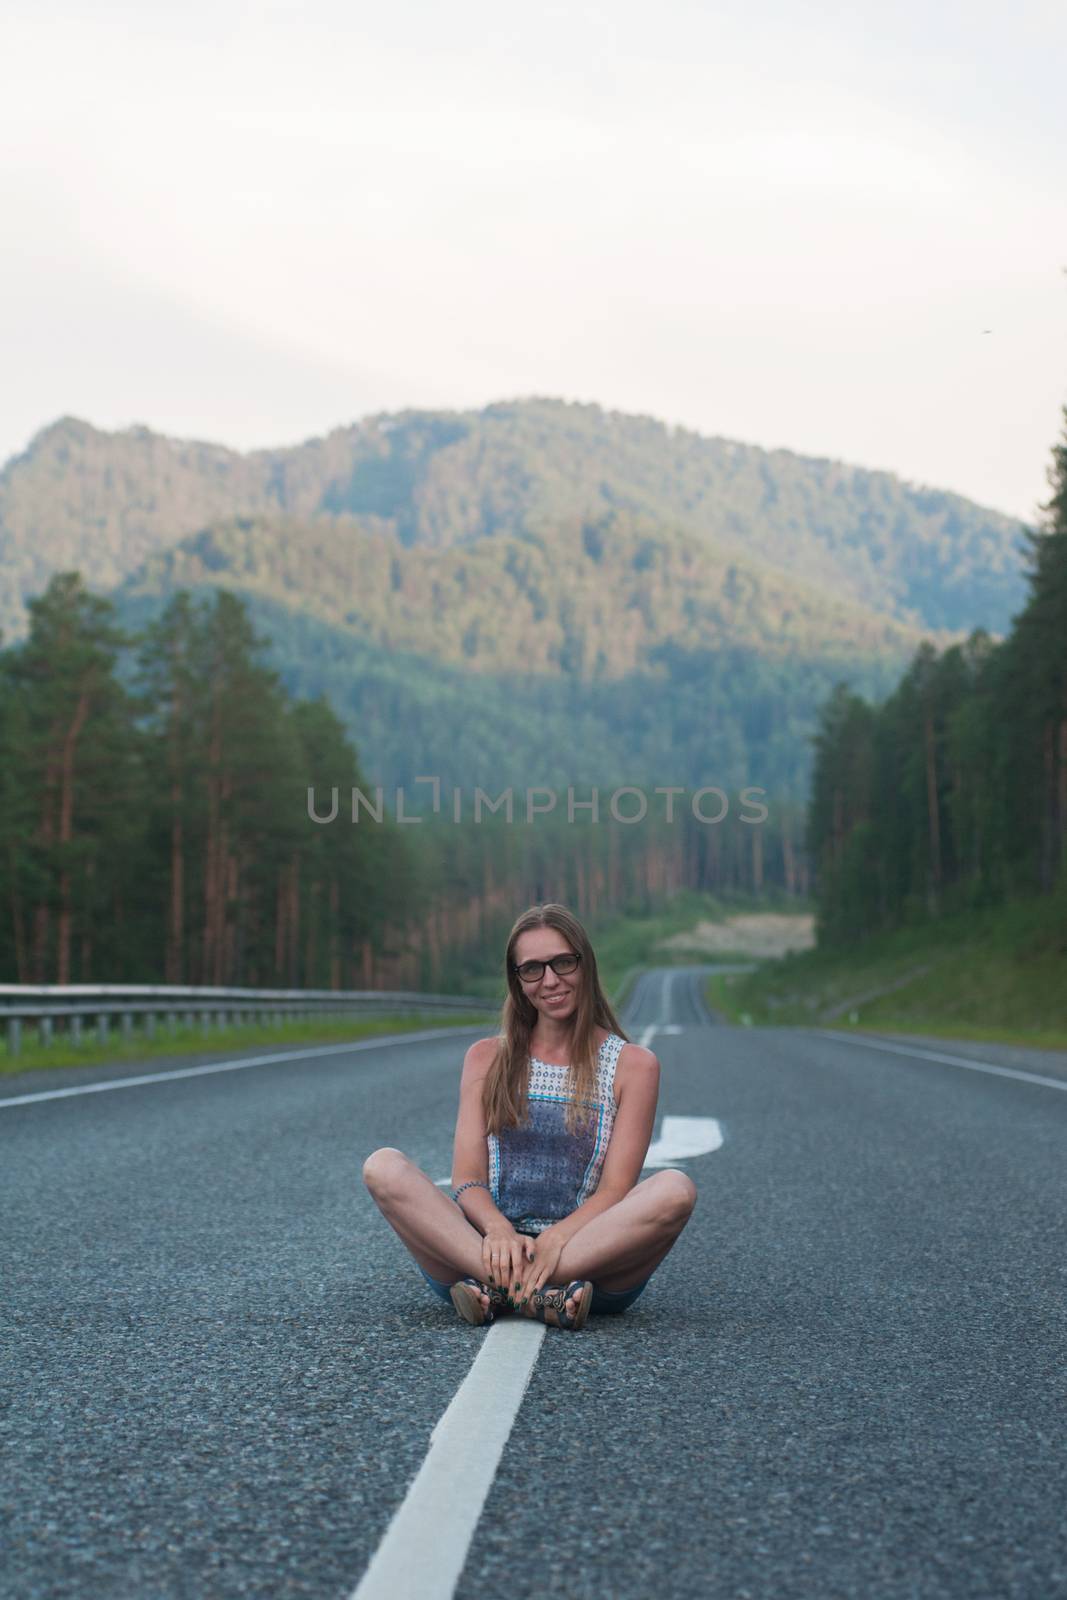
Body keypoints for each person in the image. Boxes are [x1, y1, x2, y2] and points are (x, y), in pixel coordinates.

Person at [362, 902, 697, 1330]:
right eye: (533, 969)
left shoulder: (634, 1065)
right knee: (383, 1166)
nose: (551, 981)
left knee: (675, 1189)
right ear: (517, 981)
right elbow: (467, 1179)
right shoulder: (487, 1058)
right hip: (484, 1250)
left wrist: (556, 1240)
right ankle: (538, 1297)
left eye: (563, 962)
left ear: (585, 964)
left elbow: (614, 1191)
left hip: (587, 1259)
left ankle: (504, 1292)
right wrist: (498, 1231)